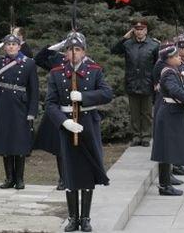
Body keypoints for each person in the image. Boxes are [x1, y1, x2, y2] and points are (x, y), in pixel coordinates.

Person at [45, 31, 112, 232]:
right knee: (70, 171)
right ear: (65, 52)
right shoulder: (56, 72)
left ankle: (86, 218)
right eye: (70, 50)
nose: (73, 53)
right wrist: (64, 123)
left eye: (77, 49)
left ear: (84, 51)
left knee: (88, 170)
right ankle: (73, 218)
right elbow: (50, 104)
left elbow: (107, 93)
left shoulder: (94, 70)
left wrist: (84, 96)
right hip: (67, 127)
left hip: (89, 124)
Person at [0, 33, 39, 190]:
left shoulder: (29, 63)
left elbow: (34, 90)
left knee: (20, 142)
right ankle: (9, 178)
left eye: (14, 44)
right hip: (1, 105)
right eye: (7, 44)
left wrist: (32, 111)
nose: (10, 46)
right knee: (5, 142)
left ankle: (20, 179)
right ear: (4, 47)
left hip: (20, 106)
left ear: (19, 46)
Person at [150, 45, 184, 197]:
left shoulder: (173, 71)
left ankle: (166, 182)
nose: (179, 58)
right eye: (175, 57)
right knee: (166, 150)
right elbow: (173, 89)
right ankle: (165, 186)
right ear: (168, 59)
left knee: (168, 149)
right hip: (169, 114)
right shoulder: (168, 73)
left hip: (171, 113)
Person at [111, 18, 159, 147]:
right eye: (136, 29)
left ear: (146, 30)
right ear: (133, 30)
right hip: (132, 82)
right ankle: (136, 136)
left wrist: (157, 81)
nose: (139, 32)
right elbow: (114, 50)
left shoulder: (154, 45)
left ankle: (146, 136)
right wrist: (124, 38)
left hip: (147, 82)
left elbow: (157, 65)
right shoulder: (128, 44)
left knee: (147, 113)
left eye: (141, 29)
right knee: (134, 113)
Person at [33, 37, 68, 190]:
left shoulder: (87, 62)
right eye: (68, 46)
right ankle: (63, 178)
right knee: (60, 148)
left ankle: (73, 176)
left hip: (76, 109)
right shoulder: (57, 59)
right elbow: (38, 59)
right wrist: (55, 46)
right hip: (59, 109)